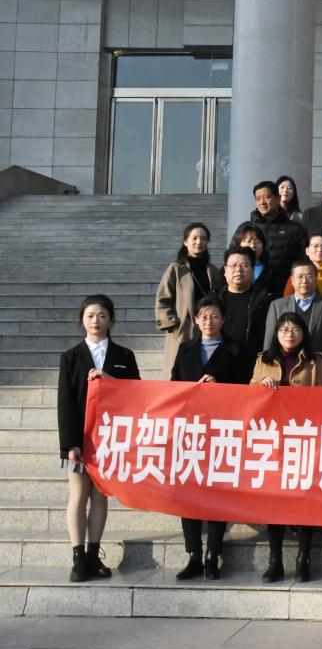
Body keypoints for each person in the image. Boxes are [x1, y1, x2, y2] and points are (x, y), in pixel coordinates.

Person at [58, 295, 141, 582]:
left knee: (100, 496)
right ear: (82, 319)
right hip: (79, 439)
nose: (96, 321)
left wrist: (110, 380)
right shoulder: (70, 357)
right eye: (91, 315)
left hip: (110, 438)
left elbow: (137, 394)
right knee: (78, 495)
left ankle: (94, 554)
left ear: (111, 320)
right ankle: (78, 557)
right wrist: (70, 444)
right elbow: (65, 404)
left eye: (102, 315)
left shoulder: (124, 356)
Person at [170, 295, 245, 581]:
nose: (209, 322)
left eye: (214, 316)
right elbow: (174, 387)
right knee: (187, 492)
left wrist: (219, 386)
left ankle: (213, 554)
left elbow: (245, 389)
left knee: (217, 492)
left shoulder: (236, 349)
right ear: (196, 320)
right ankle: (193, 554)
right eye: (203, 317)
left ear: (223, 320)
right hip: (190, 430)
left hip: (222, 430)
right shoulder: (186, 349)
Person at [252, 312, 322, 583]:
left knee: (304, 498)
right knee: (275, 499)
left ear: (303, 333)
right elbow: (249, 393)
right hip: (272, 438)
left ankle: (303, 558)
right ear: (276, 334)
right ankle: (275, 560)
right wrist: (262, 386)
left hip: (304, 437)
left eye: (295, 329)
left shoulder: (316, 360)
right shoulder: (264, 360)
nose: (289, 334)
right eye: (284, 329)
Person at [156, 222, 220, 379]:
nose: (199, 242)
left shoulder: (213, 271)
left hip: (207, 328)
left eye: (203, 239)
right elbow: (163, 299)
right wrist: (174, 325)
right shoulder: (176, 269)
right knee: (180, 374)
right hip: (183, 330)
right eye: (194, 238)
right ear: (185, 241)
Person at [266, 260, 322, 382]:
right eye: (300, 276)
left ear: (316, 279)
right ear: (292, 280)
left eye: (309, 276)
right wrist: (267, 370)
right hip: (283, 372)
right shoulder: (277, 306)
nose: (304, 281)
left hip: (316, 372)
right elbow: (270, 341)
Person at [214, 247, 273, 377]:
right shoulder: (214, 299)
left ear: (253, 270)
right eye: (233, 265)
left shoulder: (265, 300)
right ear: (225, 270)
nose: (238, 270)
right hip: (219, 364)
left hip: (253, 365)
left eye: (244, 265)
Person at [245, 180, 308, 296]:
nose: (262, 202)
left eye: (267, 197)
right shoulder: (247, 229)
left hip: (285, 290)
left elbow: (303, 260)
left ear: (278, 198)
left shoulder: (295, 229)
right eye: (258, 199)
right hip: (253, 291)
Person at [284, 235, 322, 302]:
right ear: (307, 251)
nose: (320, 250)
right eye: (315, 246)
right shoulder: (297, 275)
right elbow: (287, 302)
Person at [231, 224, 273, 294]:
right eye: (248, 241)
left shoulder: (271, 271)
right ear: (239, 244)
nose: (253, 245)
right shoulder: (229, 268)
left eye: (257, 241)